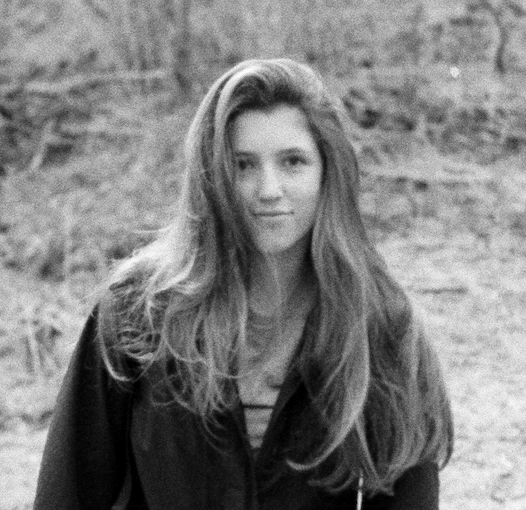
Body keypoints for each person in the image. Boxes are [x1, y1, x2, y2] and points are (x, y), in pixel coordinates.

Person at [34, 58, 453, 510]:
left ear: (327, 172)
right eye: (243, 165)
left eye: (293, 162)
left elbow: (407, 494)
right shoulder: (137, 312)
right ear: (211, 177)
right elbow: (68, 494)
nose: (268, 189)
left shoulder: (379, 323)